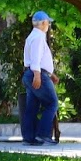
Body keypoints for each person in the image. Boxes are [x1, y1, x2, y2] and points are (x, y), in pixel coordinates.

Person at [20, 10, 58, 145]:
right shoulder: (38, 37)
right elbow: (35, 59)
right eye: (47, 22)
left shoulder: (33, 36)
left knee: (32, 107)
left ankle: (29, 137)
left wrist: (51, 74)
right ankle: (43, 134)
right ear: (42, 23)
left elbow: (38, 59)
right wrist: (37, 75)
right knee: (52, 103)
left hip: (32, 73)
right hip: (37, 74)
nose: (48, 25)